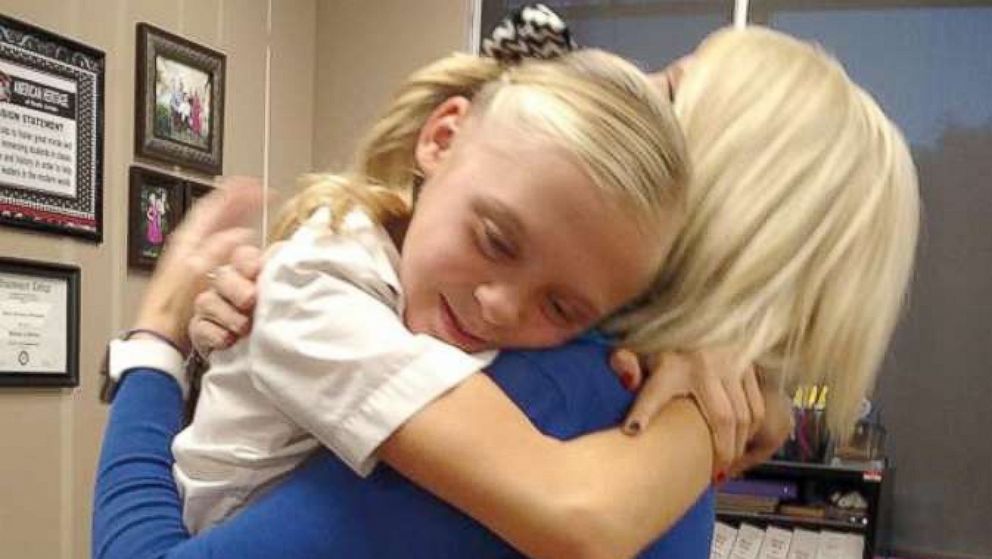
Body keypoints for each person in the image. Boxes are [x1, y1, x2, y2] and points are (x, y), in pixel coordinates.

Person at [96, 24, 919, 559]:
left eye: (662, 97)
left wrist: (156, 345)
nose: (616, 88)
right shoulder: (658, 441)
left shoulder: (548, 401)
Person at [171, 46, 698, 534]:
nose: (498, 306)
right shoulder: (313, 289)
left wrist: (626, 356)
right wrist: (699, 422)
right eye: (495, 241)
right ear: (442, 139)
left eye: (560, 307)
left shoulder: (453, 311)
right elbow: (575, 516)